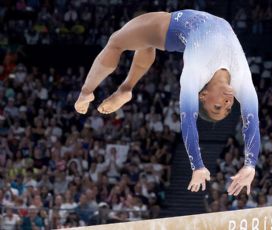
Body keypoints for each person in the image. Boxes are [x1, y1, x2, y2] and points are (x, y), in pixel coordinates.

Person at [74, 9, 260, 196]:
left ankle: (86, 92)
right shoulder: (242, 80)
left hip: (174, 27)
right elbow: (251, 121)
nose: (228, 103)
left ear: (202, 96)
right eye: (227, 108)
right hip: (189, 31)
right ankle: (125, 88)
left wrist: (198, 166)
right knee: (146, 42)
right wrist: (250, 165)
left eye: (218, 107)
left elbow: (188, 121)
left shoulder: (194, 74)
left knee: (116, 41)